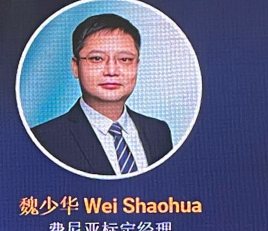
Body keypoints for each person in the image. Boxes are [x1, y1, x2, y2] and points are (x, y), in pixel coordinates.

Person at [31, 13, 173, 176]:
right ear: (76, 67)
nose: (111, 71)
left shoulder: (158, 132)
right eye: (97, 58)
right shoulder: (45, 139)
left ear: (137, 65)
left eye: (125, 59)